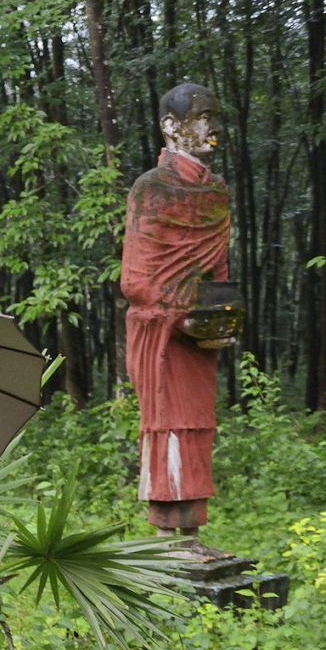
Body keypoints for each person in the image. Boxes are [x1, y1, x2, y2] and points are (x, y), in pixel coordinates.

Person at [121, 82, 233, 549]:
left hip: (199, 334)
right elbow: (135, 280)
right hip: (161, 334)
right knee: (167, 428)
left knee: (198, 429)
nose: (213, 127)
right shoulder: (151, 188)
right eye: (202, 116)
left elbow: (219, 272)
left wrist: (223, 312)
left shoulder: (217, 190)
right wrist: (179, 312)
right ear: (170, 125)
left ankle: (192, 533)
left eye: (215, 117)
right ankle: (168, 538)